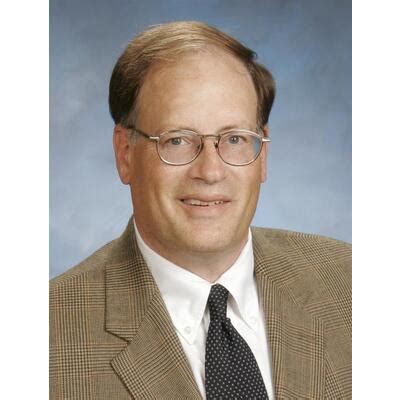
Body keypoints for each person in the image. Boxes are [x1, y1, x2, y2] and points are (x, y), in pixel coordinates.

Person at [50, 21, 351, 399]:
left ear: (262, 155)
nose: (210, 171)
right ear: (125, 154)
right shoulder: (48, 338)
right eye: (177, 140)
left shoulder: (352, 283)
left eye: (235, 139)